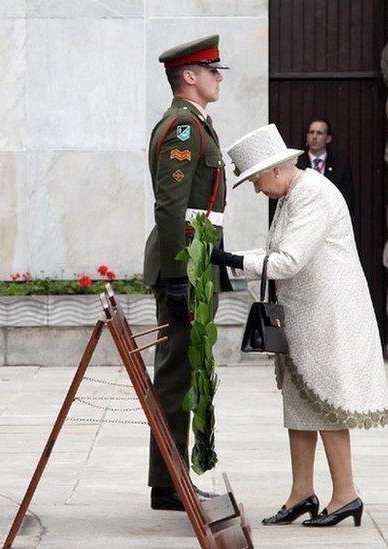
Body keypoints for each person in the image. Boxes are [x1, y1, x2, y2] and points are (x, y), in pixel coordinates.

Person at [212, 123, 388, 527]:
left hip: (327, 317)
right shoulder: (294, 194)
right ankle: (301, 493)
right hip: (303, 317)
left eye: (256, 180)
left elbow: (289, 261)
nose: (257, 189)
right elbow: (276, 252)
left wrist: (232, 262)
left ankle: (346, 495)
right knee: (298, 403)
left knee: (325, 402)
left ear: (276, 169)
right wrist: (232, 256)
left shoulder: (312, 194)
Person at [143, 34, 232, 512]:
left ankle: (172, 478)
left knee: (186, 367)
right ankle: (170, 482)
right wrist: (179, 276)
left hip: (198, 258)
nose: (219, 77)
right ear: (189, 77)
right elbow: (171, 206)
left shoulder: (196, 124)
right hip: (185, 263)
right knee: (179, 372)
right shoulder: (182, 127)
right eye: (212, 70)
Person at [270, 119, 355, 224]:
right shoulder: (295, 164)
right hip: (301, 221)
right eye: (311, 132)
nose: (314, 137)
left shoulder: (340, 166)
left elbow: (347, 198)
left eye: (319, 133)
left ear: (328, 138)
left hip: (330, 222)